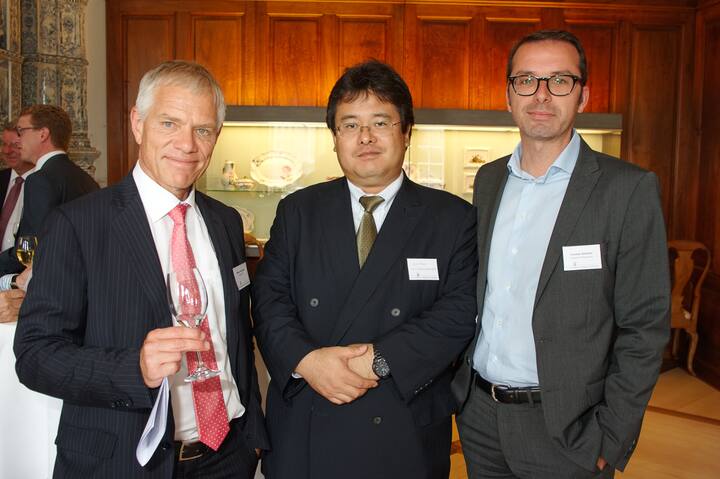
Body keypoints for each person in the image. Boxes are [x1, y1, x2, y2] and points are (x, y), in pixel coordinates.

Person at [14, 60, 268, 478]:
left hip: (226, 458)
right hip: (122, 462)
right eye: (169, 123)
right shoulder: (77, 224)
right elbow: (35, 355)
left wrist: (251, 435)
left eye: (203, 130)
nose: (186, 144)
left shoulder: (225, 222)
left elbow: (238, 334)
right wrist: (135, 368)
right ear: (137, 123)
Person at [451, 30, 670, 478]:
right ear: (508, 96)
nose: (542, 94)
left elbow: (645, 324)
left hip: (570, 428)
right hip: (481, 418)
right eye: (526, 80)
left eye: (560, 80)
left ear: (583, 96)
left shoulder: (627, 189)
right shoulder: (489, 180)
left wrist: (613, 433)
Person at [252, 60, 478, 479]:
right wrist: (307, 361)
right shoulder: (298, 211)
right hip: (307, 416)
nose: (366, 137)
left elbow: (459, 312)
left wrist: (378, 361)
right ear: (335, 138)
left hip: (402, 425)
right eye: (350, 125)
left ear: (406, 133)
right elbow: (269, 301)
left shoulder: (451, 218)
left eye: (381, 122)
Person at [0, 105, 99, 283]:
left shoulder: (40, 179)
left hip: (51, 285)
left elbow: (31, 247)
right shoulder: (87, 180)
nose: (19, 140)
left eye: (21, 131)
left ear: (43, 134)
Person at [0, 125, 34, 251]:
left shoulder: (45, 184)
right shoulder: (2, 179)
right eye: (4, 144)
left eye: (15, 145)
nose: (7, 151)